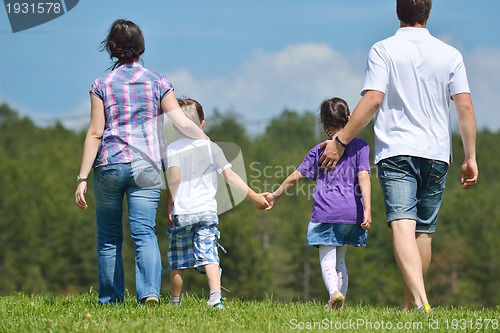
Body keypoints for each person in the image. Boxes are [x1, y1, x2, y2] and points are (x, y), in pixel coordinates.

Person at [319, 0, 478, 314]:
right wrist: (470, 156)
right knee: (423, 231)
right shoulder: (451, 55)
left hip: (398, 151)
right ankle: (410, 308)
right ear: (428, 13)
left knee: (403, 226)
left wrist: (340, 140)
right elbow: (465, 107)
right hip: (437, 153)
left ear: (398, 12)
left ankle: (420, 302)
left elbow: (373, 100)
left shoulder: (383, 50)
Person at [74, 19, 207, 306]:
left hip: (110, 163)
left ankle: (111, 299)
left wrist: (82, 177)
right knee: (144, 232)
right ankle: (149, 293)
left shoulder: (101, 85)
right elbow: (180, 121)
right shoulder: (158, 82)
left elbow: (96, 132)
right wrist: (205, 141)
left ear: (111, 48)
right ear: (141, 46)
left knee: (109, 236)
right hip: (146, 164)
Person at [266, 97, 372, 310]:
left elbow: (297, 176)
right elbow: (364, 177)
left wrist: (275, 195)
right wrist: (368, 209)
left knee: (327, 258)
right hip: (352, 213)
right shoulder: (361, 146)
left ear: (325, 124)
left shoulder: (321, 149)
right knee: (340, 260)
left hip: (327, 211)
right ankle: (339, 305)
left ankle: (334, 293)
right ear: (349, 118)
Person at [166, 98, 270, 309]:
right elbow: (230, 175)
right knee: (209, 254)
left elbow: (175, 179)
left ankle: (174, 302)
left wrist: (170, 204)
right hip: (206, 211)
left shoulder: (173, 149)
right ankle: (215, 297)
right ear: (202, 123)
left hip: (183, 212)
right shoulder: (212, 147)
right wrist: (253, 196)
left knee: (178, 261)